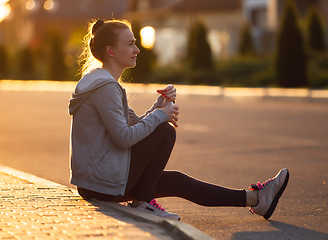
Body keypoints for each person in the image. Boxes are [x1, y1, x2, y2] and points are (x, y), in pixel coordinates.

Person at [68, 19, 289, 221]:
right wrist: (160, 117)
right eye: (130, 44)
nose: (137, 50)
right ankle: (142, 202)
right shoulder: (105, 88)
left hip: (98, 180)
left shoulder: (104, 84)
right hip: (101, 183)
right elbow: (124, 138)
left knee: (177, 181)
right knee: (165, 132)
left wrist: (158, 106)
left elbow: (133, 126)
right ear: (111, 51)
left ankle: (256, 199)